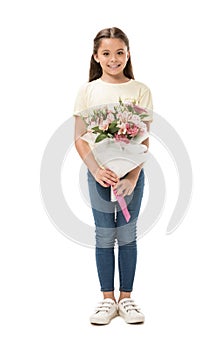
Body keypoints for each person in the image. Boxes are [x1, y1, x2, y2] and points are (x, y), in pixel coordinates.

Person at [73, 27, 153, 325]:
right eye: (106, 53)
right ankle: (107, 300)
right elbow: (80, 137)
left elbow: (144, 139)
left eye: (120, 52)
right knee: (104, 234)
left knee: (128, 234)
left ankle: (127, 298)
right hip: (99, 175)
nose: (113, 58)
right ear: (96, 56)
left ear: (128, 54)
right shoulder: (88, 90)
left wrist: (131, 177)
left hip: (132, 174)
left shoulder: (140, 89)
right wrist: (96, 169)